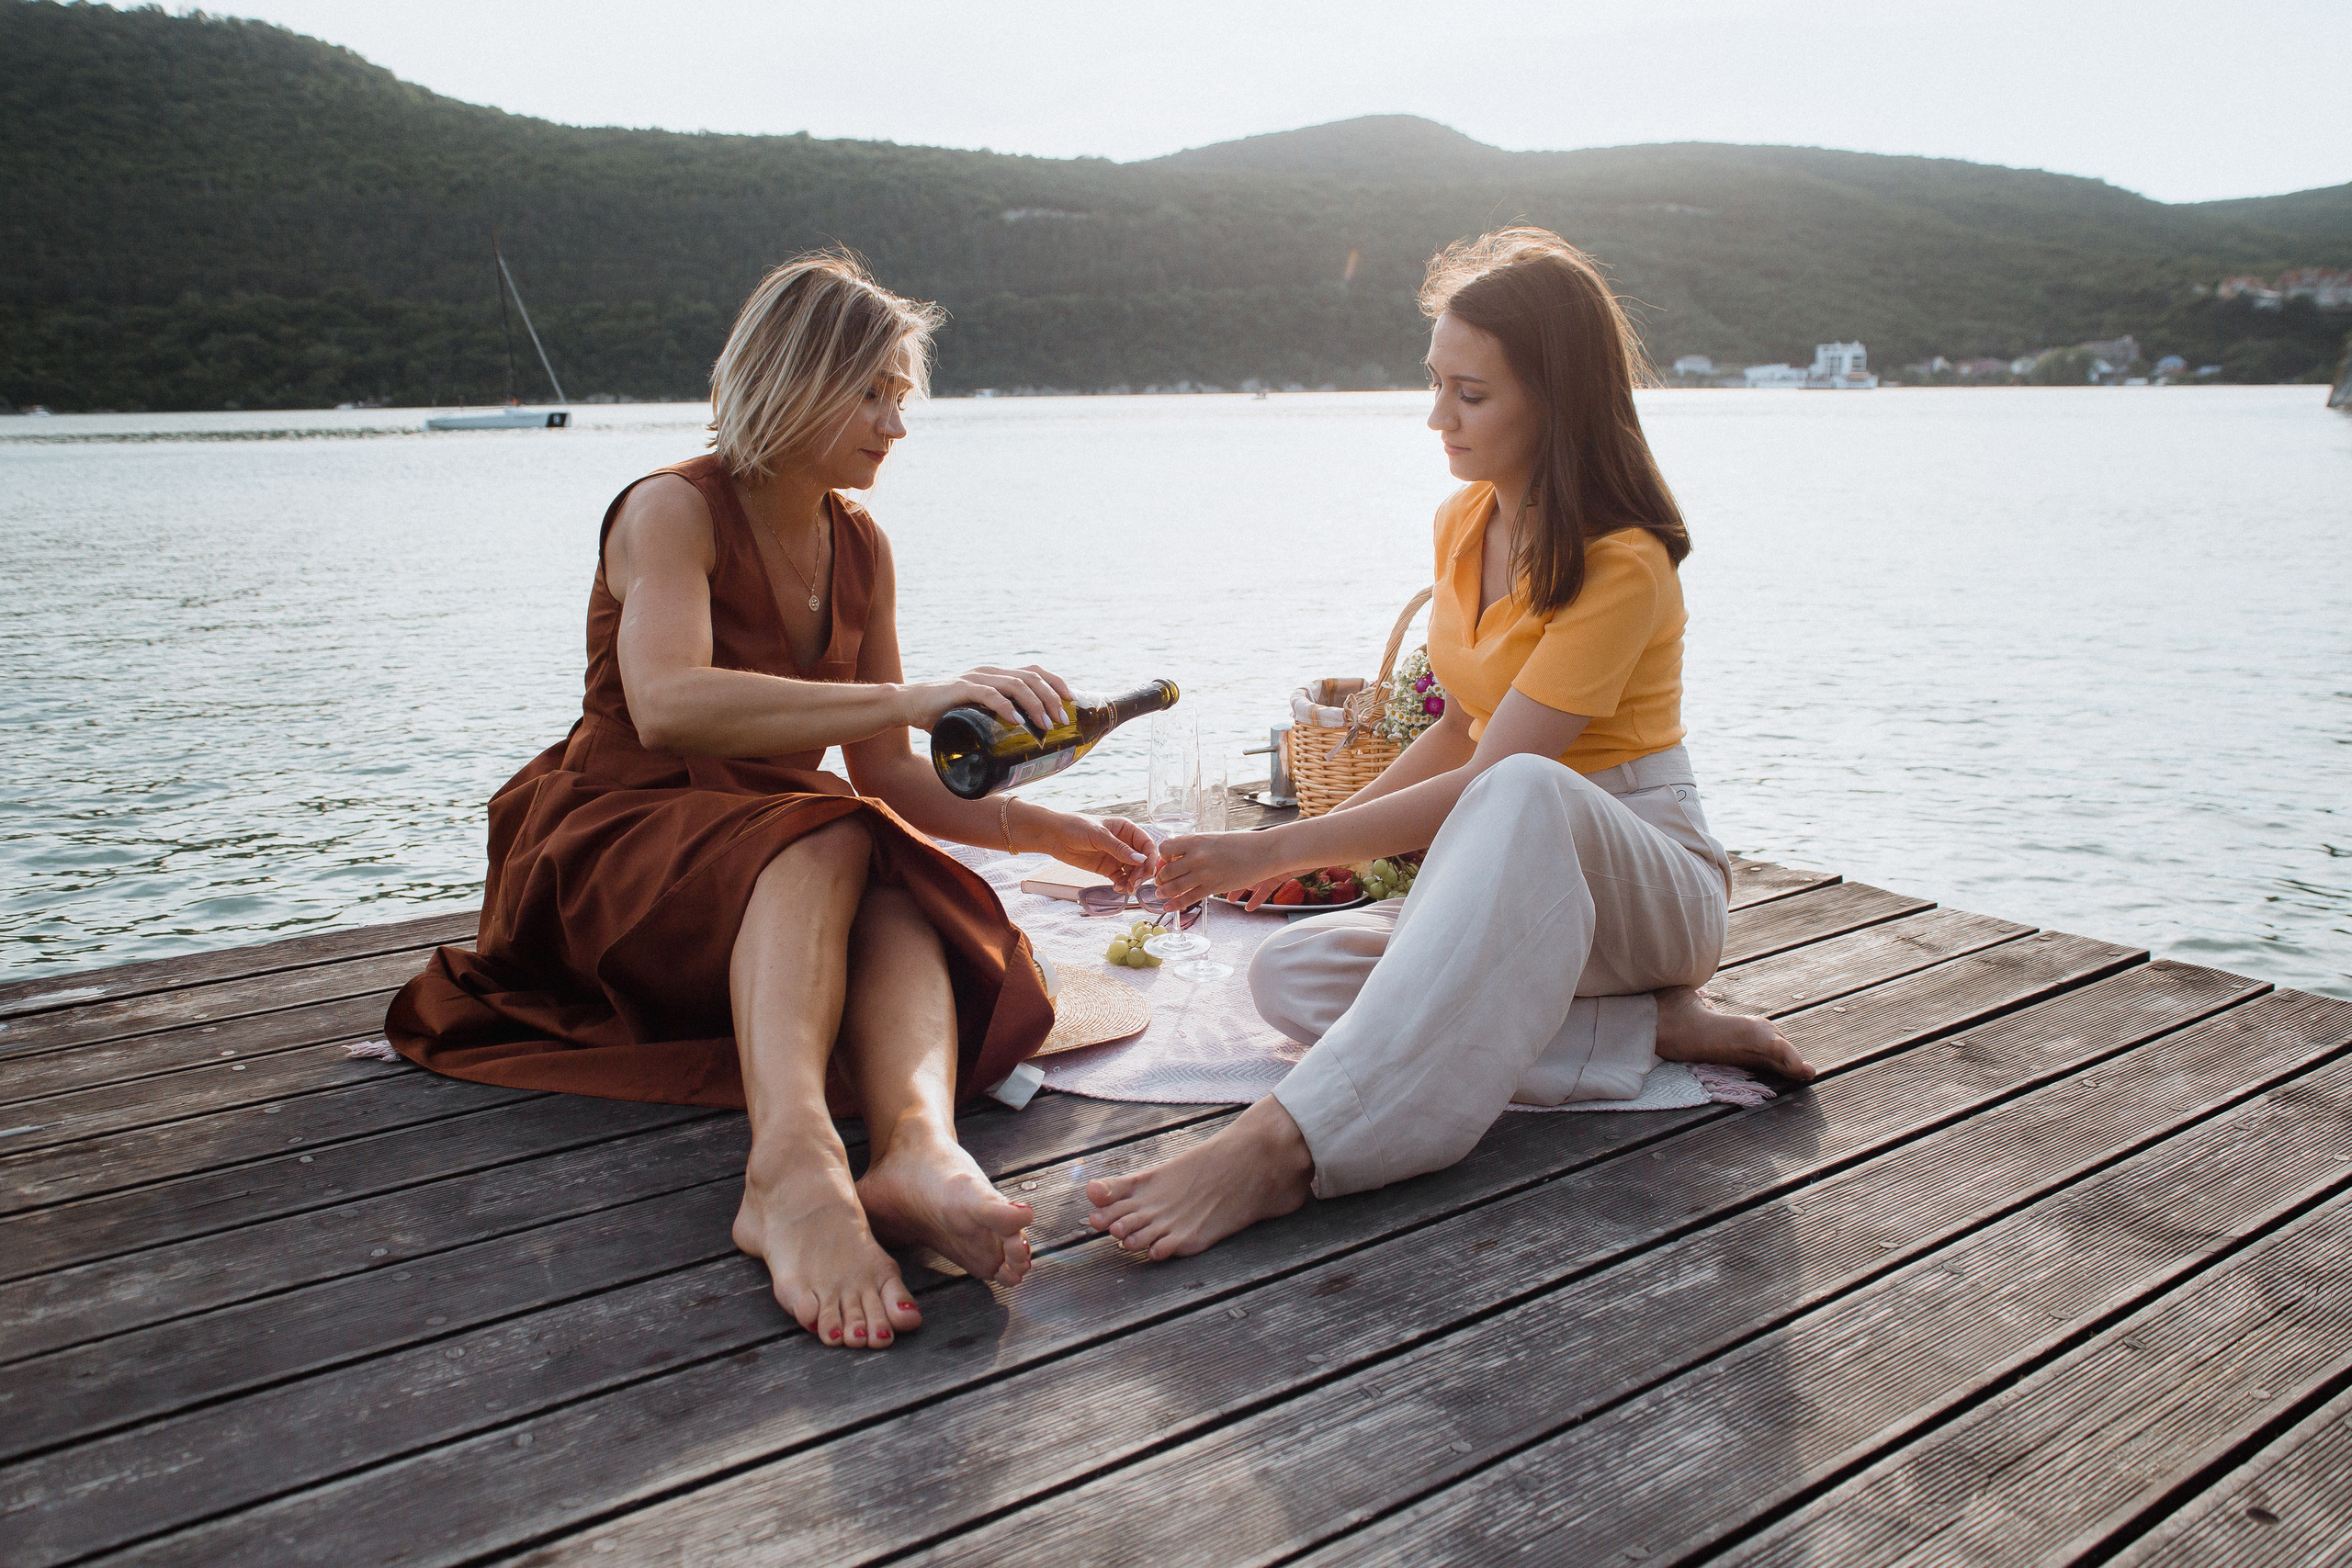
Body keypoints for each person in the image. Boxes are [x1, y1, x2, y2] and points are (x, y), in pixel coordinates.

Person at [387, 254, 1153, 1348]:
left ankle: (915, 1150)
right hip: (613, 850)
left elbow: (887, 773)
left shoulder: (860, 544)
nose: (895, 423)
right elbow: (665, 705)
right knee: (833, 836)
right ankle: (790, 1172)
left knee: (888, 865)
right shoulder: (671, 510)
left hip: (781, 863)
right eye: (871, 392)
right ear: (788, 379)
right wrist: (914, 691)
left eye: (902, 395)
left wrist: (1054, 830)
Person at [1090, 228, 1815, 1259]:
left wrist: (1271, 847)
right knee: (1286, 980)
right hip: (1517, 863)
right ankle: (1645, 1032)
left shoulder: (1624, 562)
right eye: (1436, 384)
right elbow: (1462, 720)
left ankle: (1287, 1147)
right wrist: (1324, 837)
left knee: (1520, 787)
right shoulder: (1462, 525)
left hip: (1641, 880)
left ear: (1555, 400)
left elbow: (1495, 771)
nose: (1438, 417)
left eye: (1470, 395)